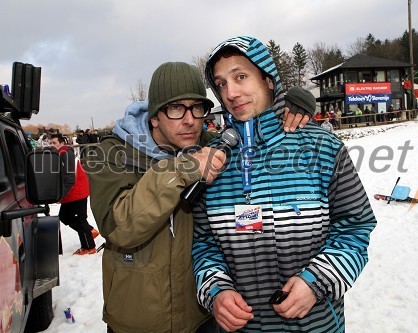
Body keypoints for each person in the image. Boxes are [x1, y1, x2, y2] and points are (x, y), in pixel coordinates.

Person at [83, 61, 312, 333]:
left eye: (198, 108)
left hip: (202, 317)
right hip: (137, 322)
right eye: (176, 108)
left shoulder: (215, 148)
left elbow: (253, 121)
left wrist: (292, 105)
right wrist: (181, 170)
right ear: (155, 116)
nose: (190, 119)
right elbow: (119, 228)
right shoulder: (112, 153)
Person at [192, 36, 377, 333]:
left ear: (268, 80)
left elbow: (355, 228)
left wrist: (317, 281)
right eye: (221, 83)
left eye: (240, 76)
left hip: (316, 324)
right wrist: (217, 291)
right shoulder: (213, 162)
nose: (231, 92)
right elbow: (204, 243)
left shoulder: (322, 147)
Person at [49, 134, 99, 255]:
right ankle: (90, 231)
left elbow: (69, 178)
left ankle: (89, 247)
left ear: (61, 143)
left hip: (77, 192)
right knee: (64, 217)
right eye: (50, 143)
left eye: (54, 143)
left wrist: (61, 195)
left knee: (79, 219)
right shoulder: (60, 153)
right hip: (72, 192)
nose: (52, 145)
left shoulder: (66, 153)